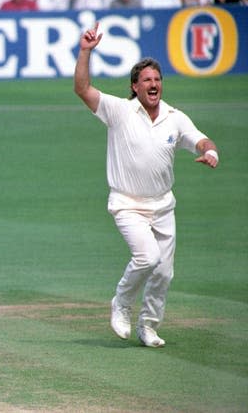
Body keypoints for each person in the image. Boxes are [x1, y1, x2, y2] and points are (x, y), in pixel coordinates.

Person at [73, 23, 219, 348]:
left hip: (163, 205)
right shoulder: (120, 111)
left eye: (157, 80)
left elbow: (199, 138)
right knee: (147, 257)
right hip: (127, 203)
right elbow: (83, 89)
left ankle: (148, 326)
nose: (153, 85)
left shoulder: (174, 117)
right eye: (147, 80)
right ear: (135, 87)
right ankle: (120, 304)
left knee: (164, 273)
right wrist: (86, 51)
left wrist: (210, 151)